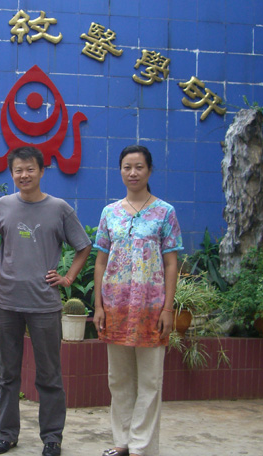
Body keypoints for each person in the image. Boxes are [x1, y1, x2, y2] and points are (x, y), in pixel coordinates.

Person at [0, 146, 92, 456]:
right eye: (18, 170)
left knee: (49, 375)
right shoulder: (2, 206)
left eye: (30, 169)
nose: (24, 175)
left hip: (44, 304)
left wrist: (67, 278)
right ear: (11, 173)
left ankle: (52, 437)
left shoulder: (59, 209)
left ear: (42, 171)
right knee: (8, 374)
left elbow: (83, 246)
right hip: (6, 301)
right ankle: (7, 434)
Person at [93, 145, 183, 456]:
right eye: (127, 167)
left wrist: (168, 308)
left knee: (150, 380)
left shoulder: (165, 212)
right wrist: (98, 306)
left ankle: (141, 447)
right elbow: (100, 262)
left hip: (151, 309)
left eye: (139, 167)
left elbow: (171, 263)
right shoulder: (110, 212)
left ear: (149, 170)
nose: (133, 173)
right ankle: (122, 442)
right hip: (115, 308)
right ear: (120, 171)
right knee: (118, 378)